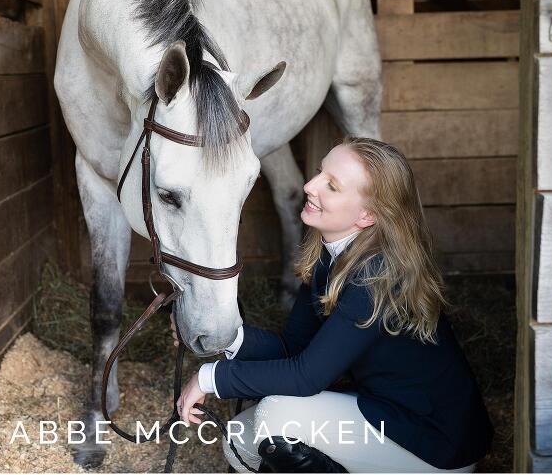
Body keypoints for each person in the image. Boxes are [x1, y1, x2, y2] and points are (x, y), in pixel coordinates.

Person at [170, 137, 494, 473]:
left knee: (275, 419)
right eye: (318, 173)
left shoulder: (377, 273)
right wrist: (222, 338)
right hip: (385, 410)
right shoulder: (330, 257)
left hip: (433, 442)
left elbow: (307, 377)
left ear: (367, 214)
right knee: (239, 442)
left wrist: (211, 378)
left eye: (332, 185)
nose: (310, 186)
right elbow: (292, 349)